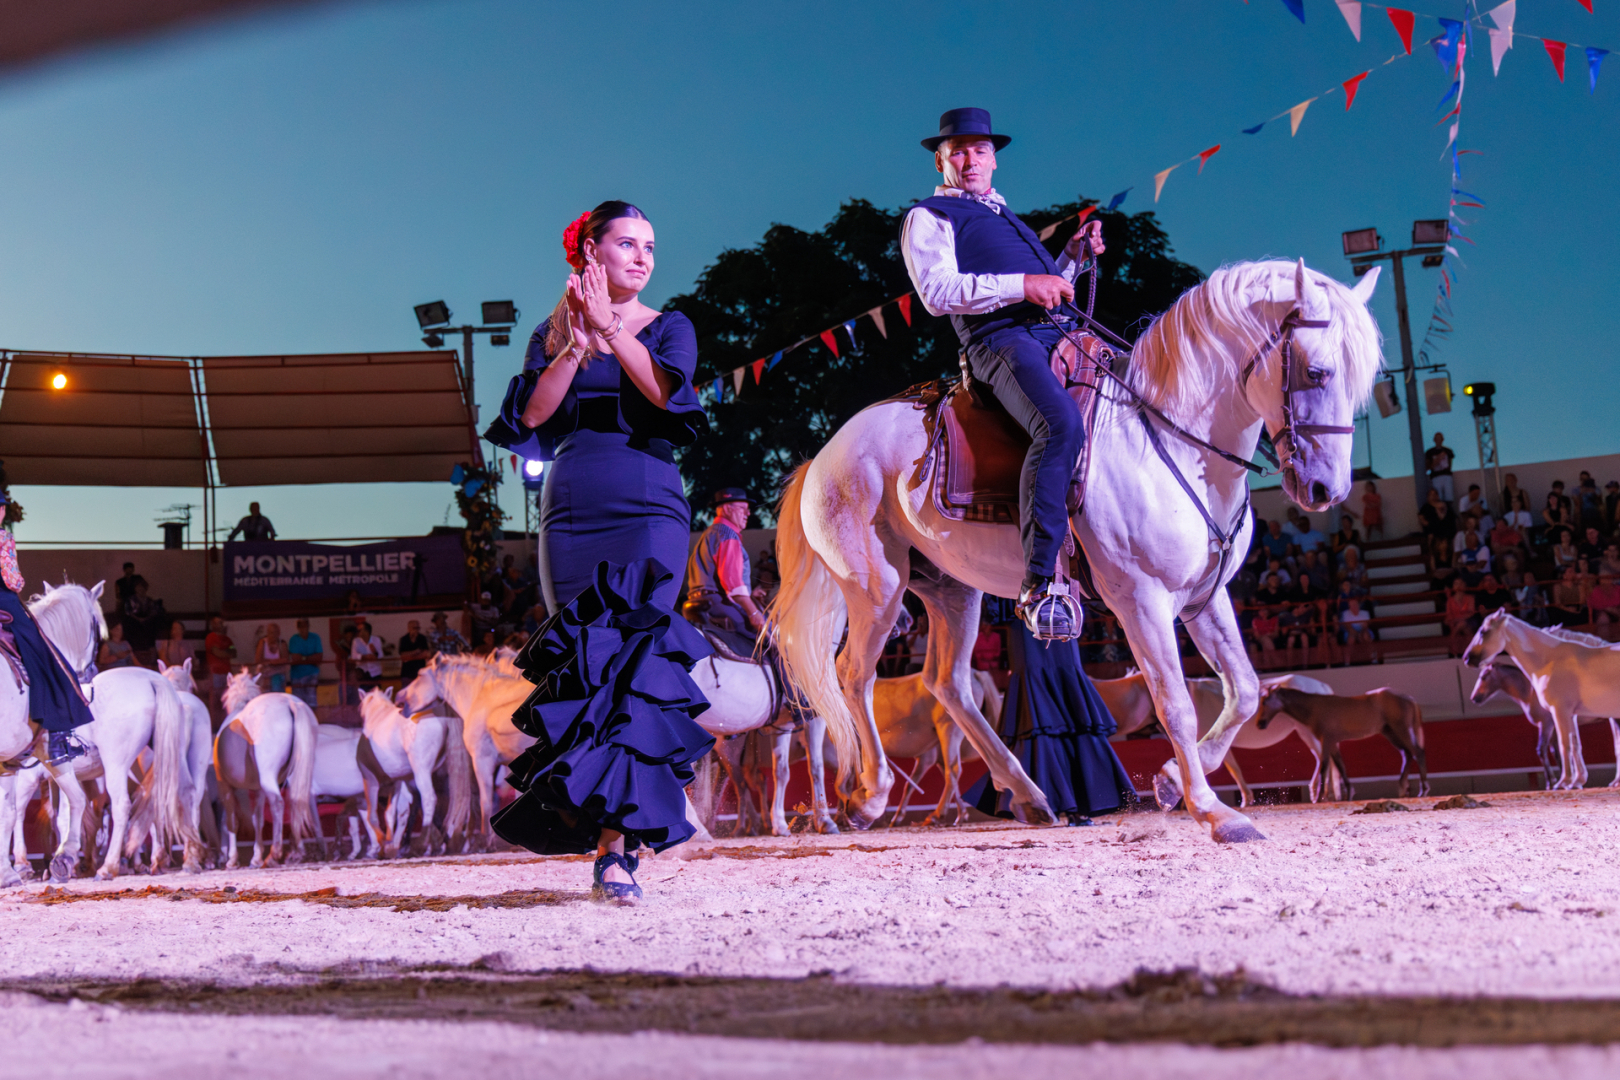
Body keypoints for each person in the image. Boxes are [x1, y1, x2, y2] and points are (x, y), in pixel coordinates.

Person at [483, 199, 714, 903]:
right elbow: (531, 417)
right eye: (627, 244)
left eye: (650, 245)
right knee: (588, 673)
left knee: (634, 670)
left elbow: (661, 391)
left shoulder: (671, 326)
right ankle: (608, 836)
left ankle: (619, 854)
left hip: (650, 510)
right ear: (591, 254)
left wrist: (612, 328)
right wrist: (579, 342)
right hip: (573, 512)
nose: (644, 257)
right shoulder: (549, 335)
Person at [901, 107, 1105, 640]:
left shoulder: (1005, 215)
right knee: (1059, 426)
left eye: (981, 150)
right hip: (999, 344)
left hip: (1055, 334)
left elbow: (1047, 287)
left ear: (994, 160)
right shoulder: (930, 216)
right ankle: (1041, 585)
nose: (971, 159)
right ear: (941, 160)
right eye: (959, 151)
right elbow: (938, 294)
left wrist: (1071, 259)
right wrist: (1023, 285)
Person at [965, 597, 1133, 825]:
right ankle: (1049, 803)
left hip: (1059, 608)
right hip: (1025, 613)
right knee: (1038, 721)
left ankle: (1078, 806)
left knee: (1061, 714)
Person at [0, 480, 96, 763]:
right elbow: (13, 581)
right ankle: (58, 736)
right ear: (2, 511)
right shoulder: (3, 539)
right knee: (45, 652)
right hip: (4, 603)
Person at [683, 488, 766, 651]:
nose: (748, 514)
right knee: (771, 641)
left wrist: (749, 594)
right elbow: (733, 585)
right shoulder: (728, 536)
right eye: (743, 508)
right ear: (728, 508)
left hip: (700, 600)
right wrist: (754, 613)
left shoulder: (710, 534)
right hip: (717, 603)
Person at [204, 616, 236, 716]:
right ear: (213, 625)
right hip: (215, 673)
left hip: (227, 673)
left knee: (227, 699)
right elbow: (217, 653)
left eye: (221, 622)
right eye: (218, 622)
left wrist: (224, 652)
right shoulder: (210, 637)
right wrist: (226, 652)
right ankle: (215, 725)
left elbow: (234, 652)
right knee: (216, 700)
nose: (221, 624)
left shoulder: (228, 640)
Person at [288, 618, 323, 707]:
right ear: (297, 628)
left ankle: (312, 719)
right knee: (298, 704)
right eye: (300, 626)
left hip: (312, 674)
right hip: (296, 675)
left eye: (305, 626)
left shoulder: (315, 637)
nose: (303, 628)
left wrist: (303, 658)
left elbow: (319, 658)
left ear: (308, 626)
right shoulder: (293, 639)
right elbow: (295, 658)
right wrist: (311, 659)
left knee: (311, 701)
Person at [254, 622, 290, 693]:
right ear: (267, 633)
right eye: (270, 632)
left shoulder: (282, 643)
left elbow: (285, 660)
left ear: (278, 633)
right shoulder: (263, 642)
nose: (273, 635)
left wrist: (269, 662)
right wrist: (276, 662)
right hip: (264, 674)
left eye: (275, 633)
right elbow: (258, 660)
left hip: (277, 673)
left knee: (276, 683)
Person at [349, 620, 384, 692]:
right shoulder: (356, 641)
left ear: (367, 631)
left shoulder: (376, 640)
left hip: (375, 673)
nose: (357, 632)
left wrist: (375, 653)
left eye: (360, 630)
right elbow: (353, 655)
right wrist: (365, 657)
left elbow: (381, 655)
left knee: (377, 696)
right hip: (362, 674)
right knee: (364, 697)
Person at [1444, 579, 1478, 651]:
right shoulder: (1450, 600)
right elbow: (1449, 614)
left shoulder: (1470, 598)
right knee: (1465, 628)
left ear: (1465, 586)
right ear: (1453, 587)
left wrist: (1458, 619)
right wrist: (1455, 620)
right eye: (1456, 584)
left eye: (1461, 584)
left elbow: (1470, 613)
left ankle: (1454, 650)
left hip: (1469, 620)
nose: (1459, 586)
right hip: (1455, 621)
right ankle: (1473, 650)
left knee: (1462, 624)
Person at [397, 619, 431, 684]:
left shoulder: (422, 638)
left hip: (420, 673)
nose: (416, 630)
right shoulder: (404, 639)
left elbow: (426, 654)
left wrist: (409, 656)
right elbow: (403, 656)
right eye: (414, 628)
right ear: (409, 628)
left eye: (418, 628)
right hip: (407, 673)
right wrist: (416, 652)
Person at [1425, 432, 1455, 504]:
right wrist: (1438, 459)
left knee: (1449, 496)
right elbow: (1428, 467)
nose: (1438, 440)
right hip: (1436, 477)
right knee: (1438, 497)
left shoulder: (1448, 451)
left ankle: (1448, 512)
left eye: (1440, 438)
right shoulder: (1430, 452)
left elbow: (1450, 465)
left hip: (1446, 475)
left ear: (1442, 439)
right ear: (1434, 440)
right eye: (1437, 438)